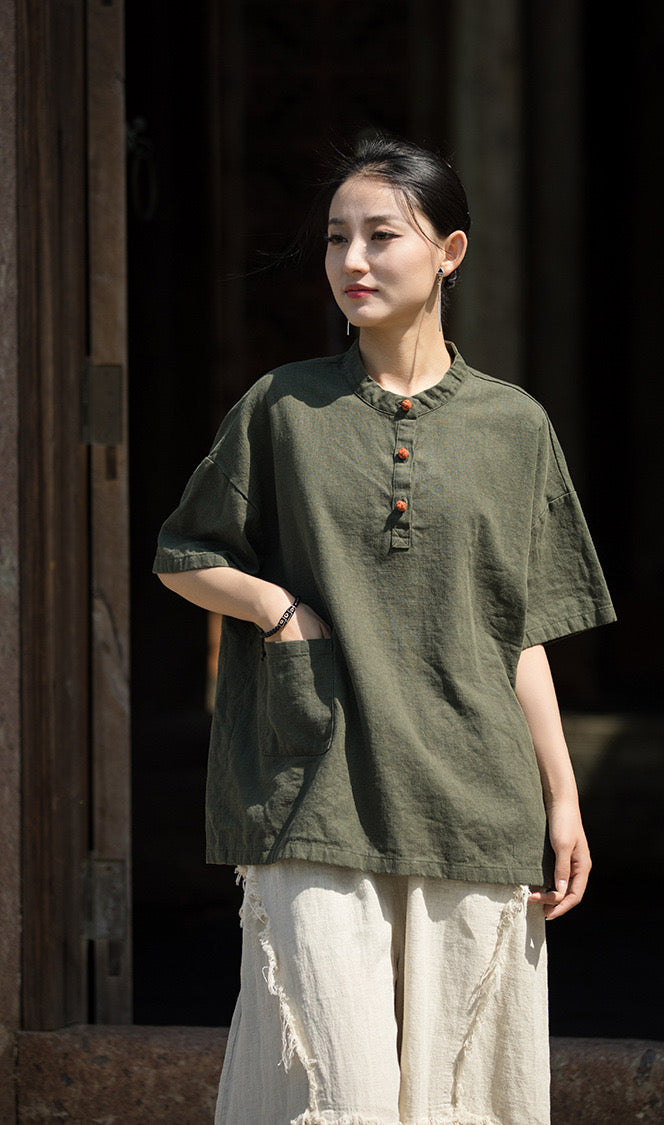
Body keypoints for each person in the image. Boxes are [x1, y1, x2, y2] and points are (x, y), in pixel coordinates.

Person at [154, 135, 615, 1125]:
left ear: (449, 251)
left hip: (474, 803)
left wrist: (562, 796)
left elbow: (521, 630)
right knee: (336, 1090)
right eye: (335, 239)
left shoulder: (514, 427)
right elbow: (184, 554)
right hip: (311, 785)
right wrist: (278, 609)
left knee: (463, 1097)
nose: (351, 261)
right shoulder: (281, 407)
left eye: (380, 236)